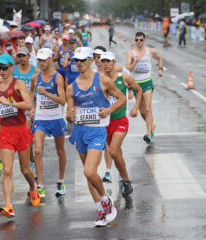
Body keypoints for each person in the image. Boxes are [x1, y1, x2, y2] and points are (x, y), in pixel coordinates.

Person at [66, 47, 125, 227]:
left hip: (97, 132)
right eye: (76, 60)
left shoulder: (103, 81)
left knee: (89, 171)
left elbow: (121, 98)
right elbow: (70, 112)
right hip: (80, 132)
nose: (79, 63)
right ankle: (101, 211)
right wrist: (69, 116)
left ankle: (106, 201)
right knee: (89, 176)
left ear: (91, 60)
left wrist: (108, 109)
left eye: (83, 60)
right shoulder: (71, 87)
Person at [0, 54, 40, 218]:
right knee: (7, 171)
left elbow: (28, 104)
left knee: (25, 169)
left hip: (20, 131)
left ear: (12, 67)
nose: (2, 71)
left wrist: (9, 103)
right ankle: (9, 205)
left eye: (5, 67)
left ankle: (33, 187)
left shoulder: (18, 83)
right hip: (5, 132)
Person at [100, 51, 143, 197]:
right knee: (116, 152)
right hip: (105, 123)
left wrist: (136, 107)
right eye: (103, 61)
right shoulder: (99, 80)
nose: (105, 64)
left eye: (108, 61)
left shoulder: (124, 78)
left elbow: (138, 90)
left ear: (114, 62)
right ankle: (123, 176)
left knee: (112, 151)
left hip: (120, 121)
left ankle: (126, 181)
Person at [29, 48, 67, 198]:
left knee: (60, 151)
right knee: (37, 151)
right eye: (40, 60)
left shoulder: (57, 77)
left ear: (51, 59)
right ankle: (40, 185)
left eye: (44, 60)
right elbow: (31, 92)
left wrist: (46, 93)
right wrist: (31, 106)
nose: (42, 63)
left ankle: (61, 180)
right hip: (41, 118)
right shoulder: (35, 78)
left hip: (56, 117)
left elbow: (63, 101)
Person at [126, 32, 163, 144]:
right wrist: (135, 61)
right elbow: (129, 69)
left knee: (148, 108)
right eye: (137, 40)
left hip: (147, 82)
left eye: (141, 40)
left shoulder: (150, 51)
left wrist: (161, 69)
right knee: (142, 112)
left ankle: (149, 134)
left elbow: (159, 57)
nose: (139, 42)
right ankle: (151, 125)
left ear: (144, 40)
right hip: (136, 85)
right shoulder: (131, 53)